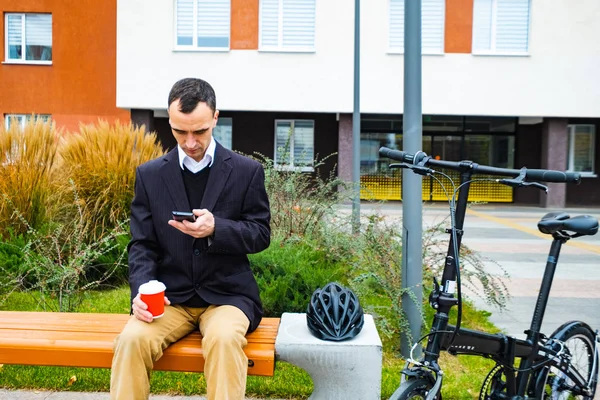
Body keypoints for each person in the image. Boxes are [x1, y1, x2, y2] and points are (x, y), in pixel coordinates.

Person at [110, 77, 271, 400]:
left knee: (224, 341)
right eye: (179, 131)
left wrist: (217, 228)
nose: (189, 142)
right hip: (169, 300)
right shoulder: (150, 175)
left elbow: (260, 234)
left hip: (228, 297)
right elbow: (142, 244)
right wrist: (140, 292)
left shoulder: (246, 171)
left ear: (215, 117)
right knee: (130, 341)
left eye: (198, 131)